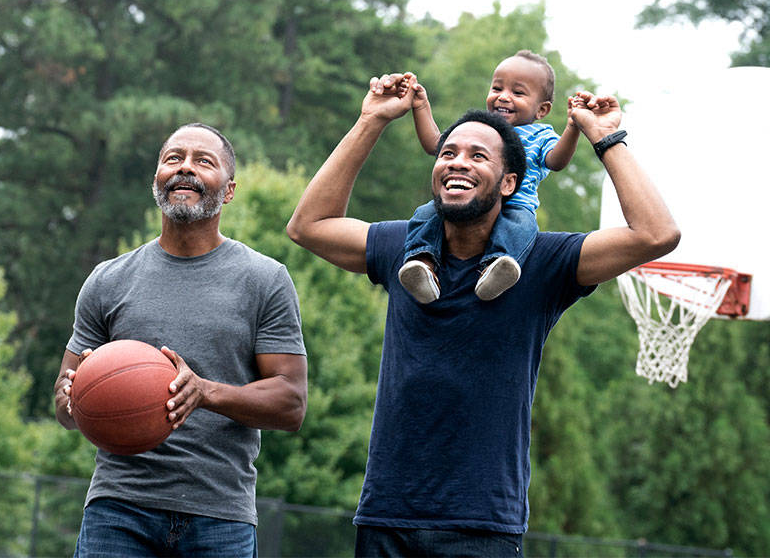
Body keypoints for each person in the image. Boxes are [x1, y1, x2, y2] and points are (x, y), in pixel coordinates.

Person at [286, 75, 679, 557]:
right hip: (387, 516)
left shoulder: (541, 262)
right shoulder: (403, 248)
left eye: (478, 155)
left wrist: (604, 136)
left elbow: (656, 234)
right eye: (448, 152)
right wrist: (371, 119)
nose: (457, 162)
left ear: (510, 182)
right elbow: (308, 225)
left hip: (484, 524)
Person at [54, 123, 308, 558]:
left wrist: (205, 393)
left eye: (202, 161)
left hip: (220, 515)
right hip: (118, 509)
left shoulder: (265, 280)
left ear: (228, 191)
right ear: (156, 176)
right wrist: (75, 396)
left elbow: (291, 404)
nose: (184, 169)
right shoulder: (107, 280)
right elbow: (65, 403)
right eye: (173, 158)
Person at [398, 50, 581, 303]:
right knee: (425, 214)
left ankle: (496, 268)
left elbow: (557, 161)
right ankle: (422, 263)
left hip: (515, 206)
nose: (503, 97)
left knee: (522, 227)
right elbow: (435, 145)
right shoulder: (477, 130)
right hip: (468, 202)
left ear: (542, 109)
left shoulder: (541, 136)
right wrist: (420, 106)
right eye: (497, 88)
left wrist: (573, 127)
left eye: (517, 93)